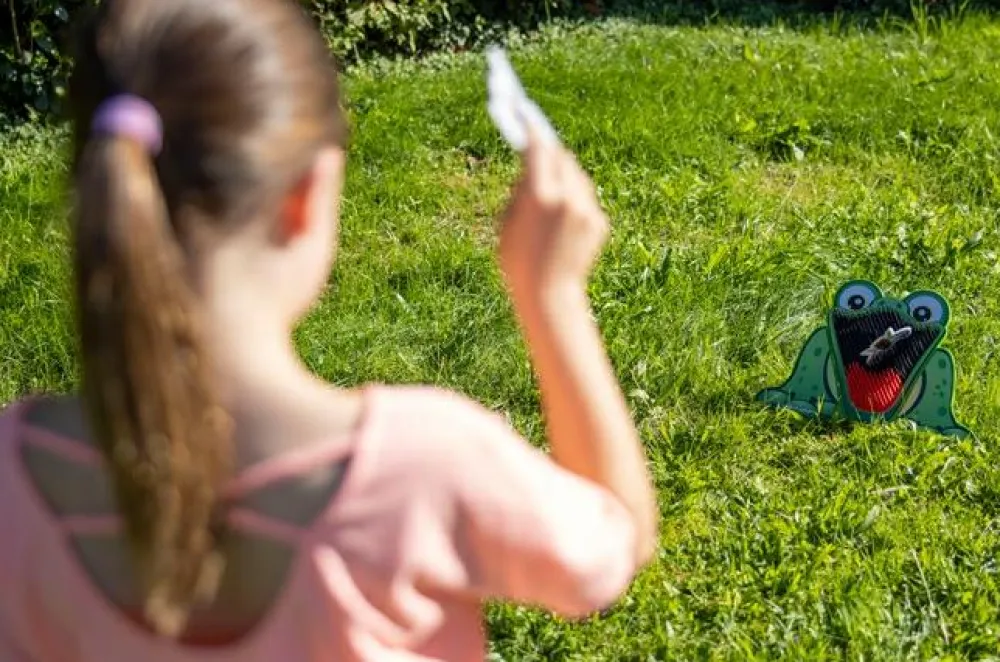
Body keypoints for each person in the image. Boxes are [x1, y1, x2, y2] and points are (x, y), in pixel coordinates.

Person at [0, 0, 658, 659]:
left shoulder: (13, 481)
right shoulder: (427, 468)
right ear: (305, 196)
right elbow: (614, 545)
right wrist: (552, 295)